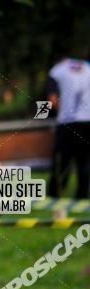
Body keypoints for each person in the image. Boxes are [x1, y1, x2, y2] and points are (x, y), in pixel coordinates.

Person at [46, 55, 90, 199]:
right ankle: (82, 197)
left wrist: (58, 111)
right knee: (84, 163)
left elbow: (52, 101)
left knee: (62, 162)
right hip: (88, 121)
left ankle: (55, 196)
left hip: (67, 122)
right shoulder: (87, 67)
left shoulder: (57, 70)